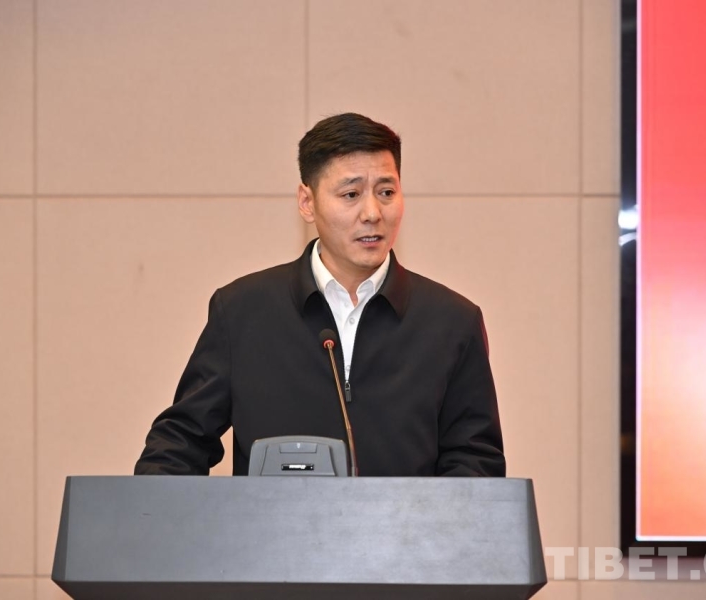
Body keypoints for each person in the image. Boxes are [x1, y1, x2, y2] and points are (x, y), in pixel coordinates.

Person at [135, 113, 505, 477]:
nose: (372, 213)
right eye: (351, 194)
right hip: (271, 521)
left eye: (386, 192)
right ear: (307, 202)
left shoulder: (452, 322)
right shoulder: (242, 311)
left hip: (406, 522)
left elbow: (475, 464)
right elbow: (179, 444)